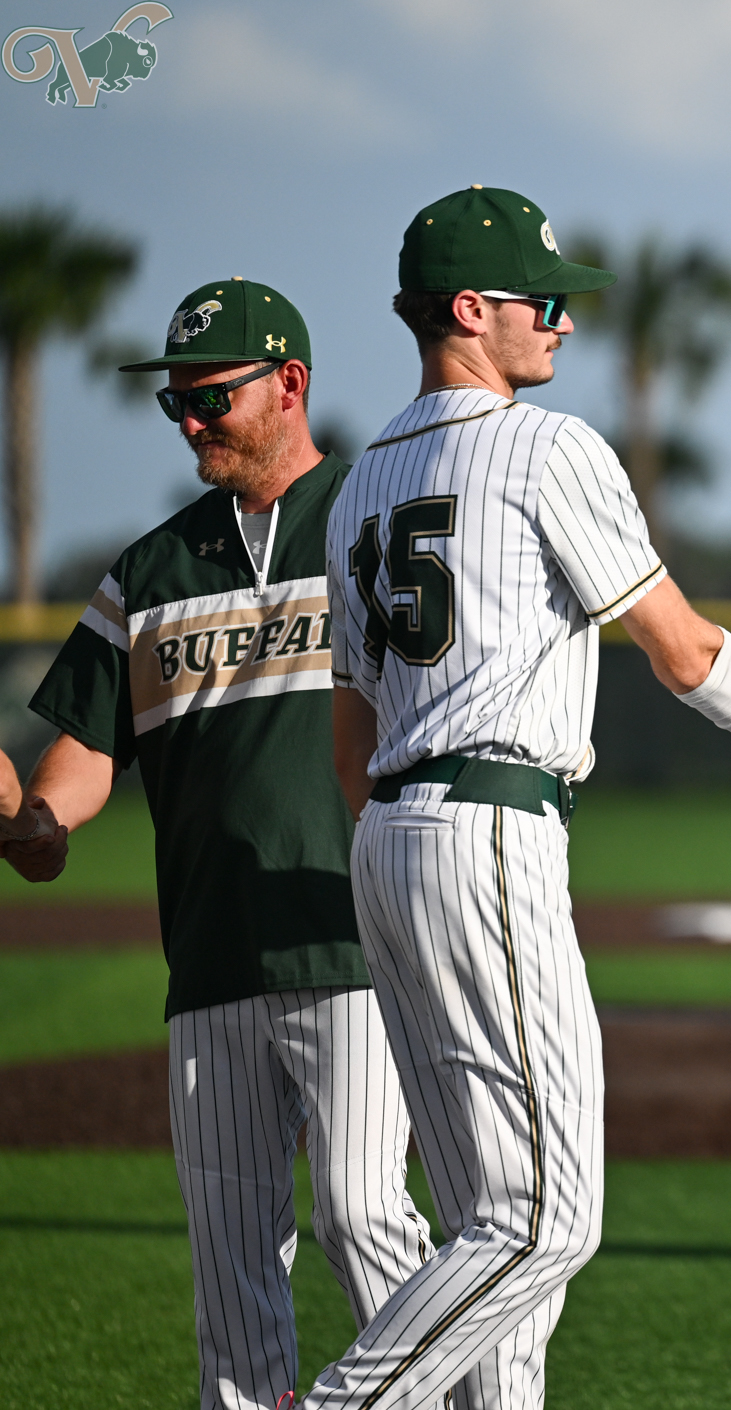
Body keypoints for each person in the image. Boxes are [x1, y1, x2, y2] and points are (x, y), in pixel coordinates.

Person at [304, 185, 731, 1410]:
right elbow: (680, 647)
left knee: (487, 1217)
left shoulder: (362, 478)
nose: (566, 323)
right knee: (544, 1224)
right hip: (489, 826)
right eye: (544, 301)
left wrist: (397, 842)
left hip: (390, 829)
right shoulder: (547, 448)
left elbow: (348, 736)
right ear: (470, 310)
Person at [7, 280, 442, 1410]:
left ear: (289, 383)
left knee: (361, 1213)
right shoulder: (149, 572)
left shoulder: (375, 512)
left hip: (351, 936)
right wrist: (30, 825)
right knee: (230, 1258)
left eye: (212, 399)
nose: (191, 421)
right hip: (208, 958)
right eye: (177, 406)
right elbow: (87, 756)